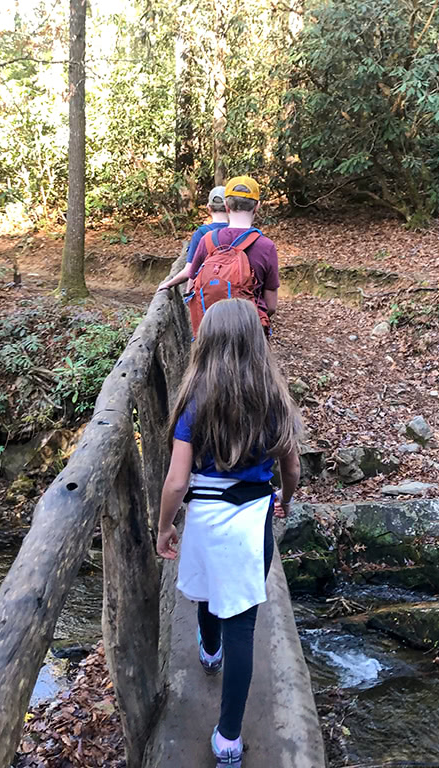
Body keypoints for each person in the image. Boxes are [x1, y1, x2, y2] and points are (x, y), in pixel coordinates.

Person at [155, 298, 302, 768]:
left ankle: (209, 649)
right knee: (244, 621)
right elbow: (292, 467)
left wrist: (164, 526)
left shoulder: (194, 403)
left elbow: (177, 481)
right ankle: (229, 739)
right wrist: (286, 496)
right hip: (251, 519)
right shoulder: (274, 399)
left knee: (205, 592)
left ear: (208, 342)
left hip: (205, 517)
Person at [187, 175, 280, 327]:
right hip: (249, 328)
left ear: (226, 206)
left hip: (211, 327)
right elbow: (271, 306)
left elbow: (191, 289)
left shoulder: (207, 240)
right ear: (257, 206)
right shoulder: (266, 246)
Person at [158, 186, 229, 292]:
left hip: (209, 294)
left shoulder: (201, 234)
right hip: (237, 295)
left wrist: (168, 284)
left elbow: (189, 271)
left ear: (208, 208)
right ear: (229, 207)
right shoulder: (239, 233)